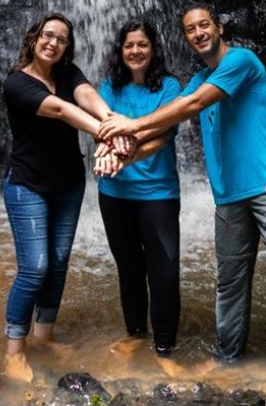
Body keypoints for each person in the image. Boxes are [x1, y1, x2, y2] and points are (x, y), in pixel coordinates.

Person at [98, 2, 266, 397]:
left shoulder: (240, 60)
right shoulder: (198, 77)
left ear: (218, 27)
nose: (198, 33)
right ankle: (227, 356)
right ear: (186, 37)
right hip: (228, 195)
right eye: (190, 29)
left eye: (204, 25)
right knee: (229, 281)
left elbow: (193, 104)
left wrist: (132, 125)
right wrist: (121, 153)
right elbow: (171, 117)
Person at [2, 12, 133, 382]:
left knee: (58, 262)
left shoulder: (68, 72)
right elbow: (61, 109)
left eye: (61, 39)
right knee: (35, 267)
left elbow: (86, 95)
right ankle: (14, 350)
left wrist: (111, 119)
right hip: (27, 185)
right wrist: (108, 134)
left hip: (68, 184)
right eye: (48, 35)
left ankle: (43, 337)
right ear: (34, 39)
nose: (53, 43)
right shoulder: (17, 84)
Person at [93, 20, 182, 356]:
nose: (135, 51)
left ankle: (165, 345)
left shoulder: (170, 88)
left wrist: (124, 137)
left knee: (165, 271)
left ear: (153, 49)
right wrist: (114, 137)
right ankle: (135, 335)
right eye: (129, 45)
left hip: (158, 194)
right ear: (121, 50)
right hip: (115, 194)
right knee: (129, 269)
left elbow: (165, 130)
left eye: (142, 44)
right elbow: (100, 130)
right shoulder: (108, 88)